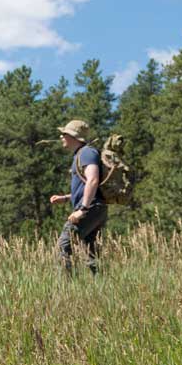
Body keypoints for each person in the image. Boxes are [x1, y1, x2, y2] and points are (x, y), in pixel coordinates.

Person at [50, 118, 107, 276]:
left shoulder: (87, 153)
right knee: (91, 253)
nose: (61, 136)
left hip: (89, 209)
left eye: (64, 134)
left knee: (63, 246)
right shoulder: (82, 154)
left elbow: (93, 179)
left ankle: (64, 290)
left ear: (73, 136)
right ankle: (99, 287)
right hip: (95, 207)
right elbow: (87, 186)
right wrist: (67, 197)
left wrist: (82, 209)